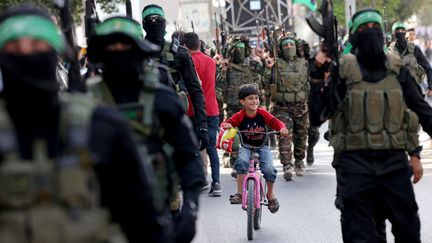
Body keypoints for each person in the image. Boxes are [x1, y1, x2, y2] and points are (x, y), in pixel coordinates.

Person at [0, 5, 165, 243]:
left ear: (55, 52)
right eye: (14, 47)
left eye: (37, 45)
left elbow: (141, 218)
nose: (26, 54)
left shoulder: (101, 126)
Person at [309, 8, 432, 242]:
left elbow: (423, 113)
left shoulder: (398, 70)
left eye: (374, 28)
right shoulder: (343, 71)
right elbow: (317, 117)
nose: (370, 33)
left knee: (409, 233)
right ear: (354, 36)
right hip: (355, 167)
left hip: (393, 165)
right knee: (361, 237)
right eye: (364, 29)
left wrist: (414, 153)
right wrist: (317, 77)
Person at [86, 16, 205, 243]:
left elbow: (188, 156)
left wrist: (191, 207)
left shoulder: (161, 98)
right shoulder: (84, 103)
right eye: (112, 46)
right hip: (98, 219)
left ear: (139, 50)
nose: (118, 52)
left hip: (157, 212)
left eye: (125, 46)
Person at [141, 4, 209, 151]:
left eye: (158, 19)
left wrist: (202, 126)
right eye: (150, 20)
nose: (154, 23)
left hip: (174, 119)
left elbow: (195, 90)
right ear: (143, 24)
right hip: (142, 122)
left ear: (164, 23)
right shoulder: (135, 52)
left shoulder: (179, 53)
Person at [222, 84, 288, 214]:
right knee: (241, 162)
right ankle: (240, 193)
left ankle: (270, 195)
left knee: (269, 169)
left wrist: (282, 128)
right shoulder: (240, 115)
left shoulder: (262, 113)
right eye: (250, 98)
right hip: (246, 146)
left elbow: (275, 122)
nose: (254, 101)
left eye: (256, 98)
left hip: (262, 146)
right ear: (242, 101)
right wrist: (227, 125)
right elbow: (225, 123)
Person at [264, 35, 310, 180]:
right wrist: (268, 68)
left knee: (301, 135)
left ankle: (299, 161)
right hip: (282, 106)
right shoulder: (275, 64)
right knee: (284, 135)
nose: (289, 47)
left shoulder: (304, 63)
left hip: (301, 106)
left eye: (291, 45)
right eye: (285, 45)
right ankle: (286, 165)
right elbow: (265, 82)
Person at [183, 32, 222, 197]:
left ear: (185, 45)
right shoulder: (211, 61)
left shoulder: (187, 62)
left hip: (193, 110)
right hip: (212, 110)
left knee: (192, 146)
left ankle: (198, 179)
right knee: (211, 146)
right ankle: (216, 182)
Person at [389, 21, 432, 96]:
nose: (400, 32)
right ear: (393, 33)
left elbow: (427, 67)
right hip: (395, 92)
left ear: (405, 32)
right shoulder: (389, 50)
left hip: (414, 90)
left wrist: (430, 86)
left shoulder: (415, 49)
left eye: (402, 30)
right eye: (397, 30)